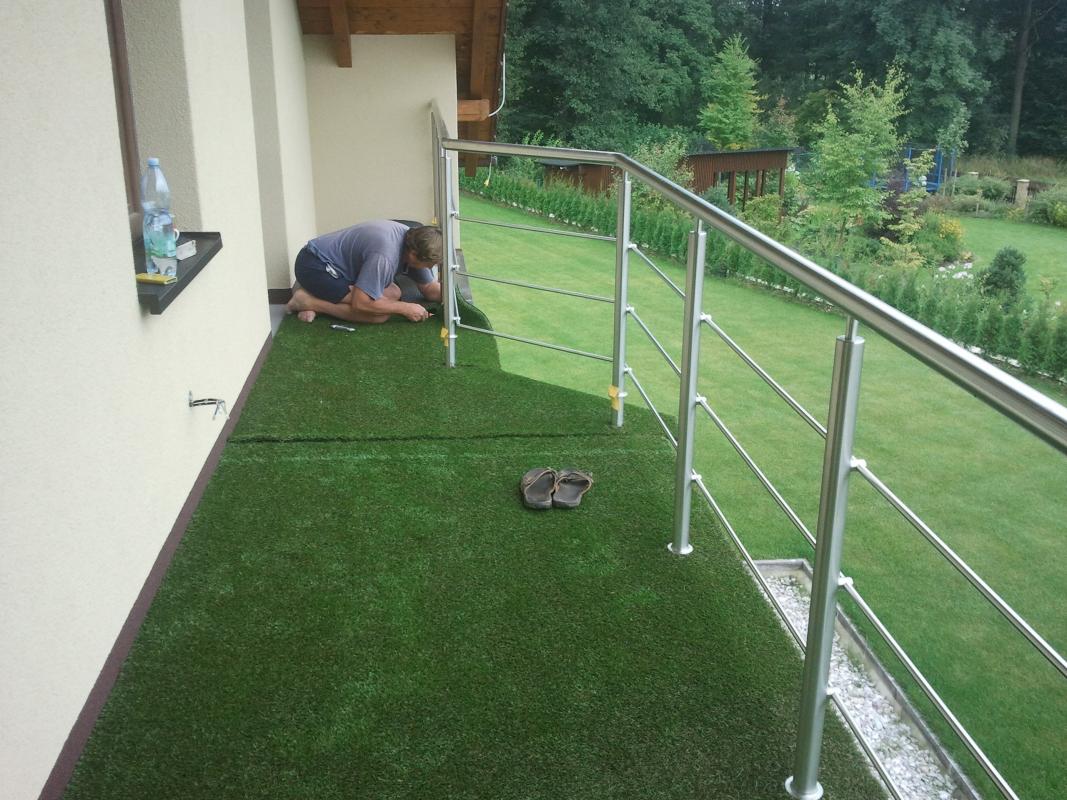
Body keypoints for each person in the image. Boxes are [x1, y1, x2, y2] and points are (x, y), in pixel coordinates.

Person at [286, 221, 442, 324]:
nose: (430, 268)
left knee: (393, 292)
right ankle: (306, 301)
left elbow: (430, 289)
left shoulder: (413, 241)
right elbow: (361, 304)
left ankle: (317, 295)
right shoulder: (385, 256)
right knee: (378, 315)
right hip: (315, 266)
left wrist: (452, 299)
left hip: (340, 269)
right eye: (430, 264)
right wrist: (405, 308)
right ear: (414, 255)